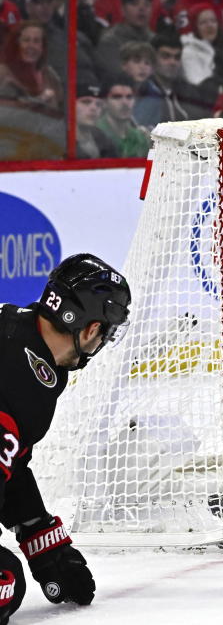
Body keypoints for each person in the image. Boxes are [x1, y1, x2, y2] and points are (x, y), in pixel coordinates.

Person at [0, 253, 131, 622]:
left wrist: (39, 536)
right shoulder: (24, 379)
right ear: (90, 329)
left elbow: (10, 460)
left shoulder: (20, 335)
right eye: (105, 330)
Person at [133, 31, 206, 129]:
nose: (172, 62)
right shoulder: (143, 92)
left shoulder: (189, 92)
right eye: (165, 56)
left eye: (177, 57)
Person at [0, 19, 61, 114]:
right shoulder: (3, 72)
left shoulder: (50, 75)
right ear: (16, 44)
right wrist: (30, 103)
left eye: (36, 41)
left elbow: (62, 108)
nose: (31, 46)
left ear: (42, 46)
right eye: (26, 40)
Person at [95, 0, 155, 79]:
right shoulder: (110, 40)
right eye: (135, 4)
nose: (142, 8)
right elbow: (116, 74)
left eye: (147, 5)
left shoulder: (155, 40)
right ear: (122, 10)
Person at [97, 74, 150, 157]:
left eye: (129, 97)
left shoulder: (140, 138)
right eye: (117, 97)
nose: (125, 103)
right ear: (104, 102)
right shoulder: (95, 134)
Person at [75, 77, 118, 159]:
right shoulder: (57, 139)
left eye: (98, 104)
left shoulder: (103, 138)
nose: (94, 108)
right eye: (86, 102)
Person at [180, 4, 218, 86]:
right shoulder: (189, 53)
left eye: (213, 21)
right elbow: (199, 85)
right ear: (195, 27)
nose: (210, 26)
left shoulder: (216, 48)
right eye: (203, 22)